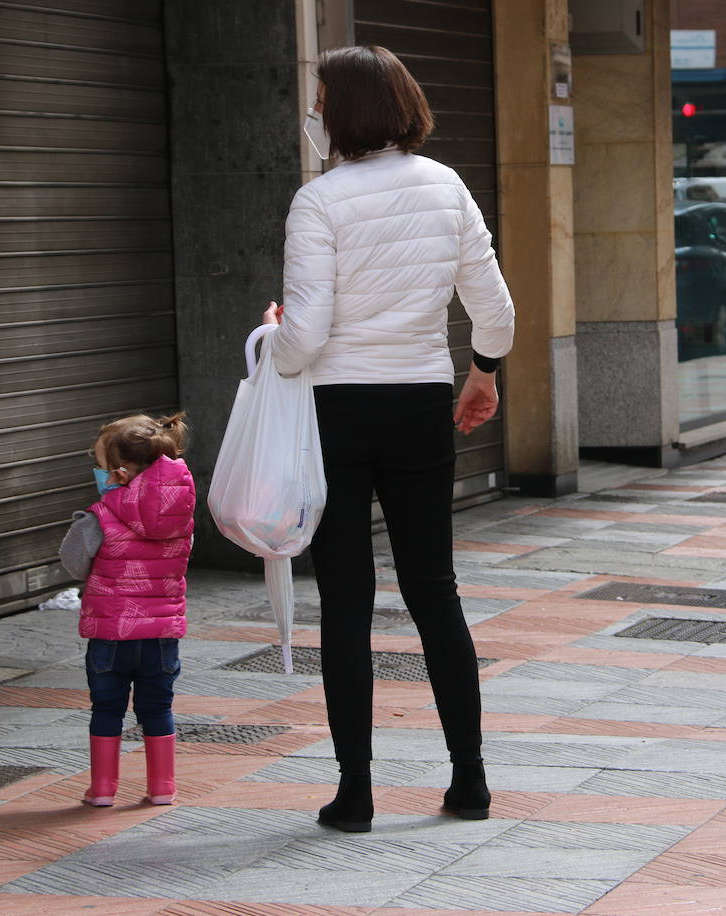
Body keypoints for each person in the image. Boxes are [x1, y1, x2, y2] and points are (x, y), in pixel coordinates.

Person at [262, 45, 514, 833]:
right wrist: (482, 374)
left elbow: (302, 341)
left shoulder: (320, 201)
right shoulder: (446, 186)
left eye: (321, 96)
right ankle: (469, 782)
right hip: (418, 403)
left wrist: (271, 337)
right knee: (433, 589)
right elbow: (495, 311)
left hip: (337, 412)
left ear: (342, 111)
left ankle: (356, 793)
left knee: (346, 600)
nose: (314, 112)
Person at [59, 412, 195, 807]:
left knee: (106, 708)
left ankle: (102, 789)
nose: (97, 472)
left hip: (110, 634)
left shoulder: (98, 516)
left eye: (100, 465)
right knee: (158, 708)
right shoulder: (179, 517)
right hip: (161, 635)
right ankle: (162, 788)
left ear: (118, 473)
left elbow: (73, 562)